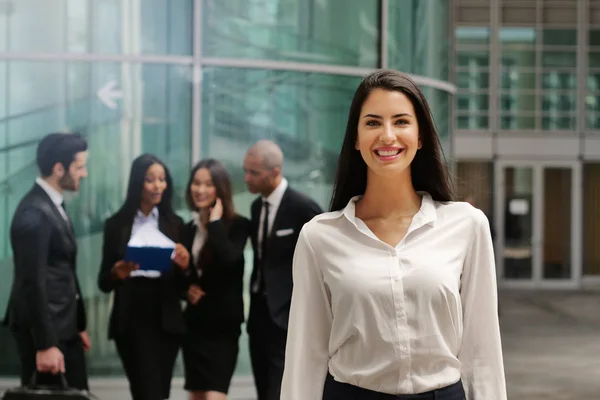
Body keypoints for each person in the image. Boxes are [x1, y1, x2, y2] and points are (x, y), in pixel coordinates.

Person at [281, 70, 507, 400]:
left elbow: (482, 351)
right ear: (356, 139)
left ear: (421, 137)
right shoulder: (319, 237)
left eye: (401, 121)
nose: (387, 135)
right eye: (373, 123)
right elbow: (306, 356)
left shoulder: (467, 225)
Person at [97, 154, 190, 400]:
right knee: (146, 391)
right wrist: (117, 273)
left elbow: (185, 284)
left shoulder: (176, 224)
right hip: (132, 316)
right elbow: (103, 282)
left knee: (160, 391)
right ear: (138, 182)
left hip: (166, 317)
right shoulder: (116, 225)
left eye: (162, 180)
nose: (158, 186)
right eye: (150, 180)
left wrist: (184, 265)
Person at [3, 133, 90, 390]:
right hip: (46, 332)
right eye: (80, 167)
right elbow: (32, 281)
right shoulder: (34, 213)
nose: (84, 174)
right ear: (58, 168)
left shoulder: (53, 206)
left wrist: (77, 325)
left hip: (62, 327)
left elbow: (63, 271)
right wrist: (45, 344)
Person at [242, 140, 323, 400]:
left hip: (287, 317)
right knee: (263, 388)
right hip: (259, 317)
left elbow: (321, 264)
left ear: (275, 172)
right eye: (246, 170)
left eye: (254, 173)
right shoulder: (257, 207)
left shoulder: (303, 208)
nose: (247, 179)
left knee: (282, 390)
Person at [181, 159, 251, 400]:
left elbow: (230, 260)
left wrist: (215, 224)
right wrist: (186, 287)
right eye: (196, 183)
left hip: (222, 328)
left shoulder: (239, 226)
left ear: (220, 188)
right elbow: (186, 276)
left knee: (214, 396)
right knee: (197, 396)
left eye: (208, 184)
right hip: (195, 327)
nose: (200, 190)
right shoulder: (188, 229)